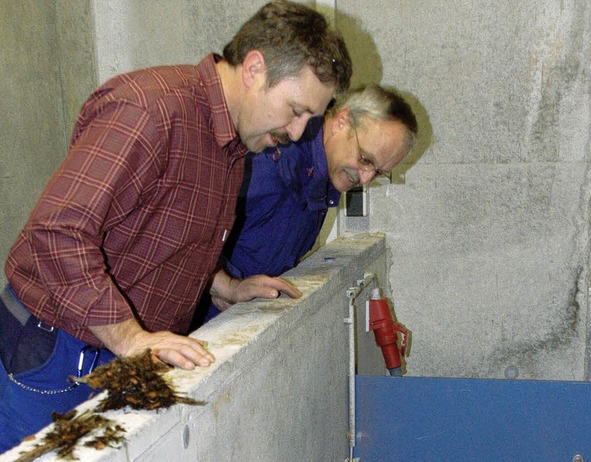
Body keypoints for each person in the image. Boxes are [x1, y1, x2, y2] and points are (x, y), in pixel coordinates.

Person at [0, 0, 351, 452]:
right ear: (255, 68)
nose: (300, 133)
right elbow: (57, 233)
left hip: (113, 351)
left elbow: (170, 235)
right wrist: (130, 337)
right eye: (296, 110)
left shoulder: (232, 143)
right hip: (53, 351)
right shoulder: (150, 109)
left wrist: (223, 285)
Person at [200, 84, 417, 319]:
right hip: (194, 319)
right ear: (342, 121)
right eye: (365, 159)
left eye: (378, 173)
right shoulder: (271, 153)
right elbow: (182, 226)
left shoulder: (326, 167)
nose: (365, 178)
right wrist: (224, 285)